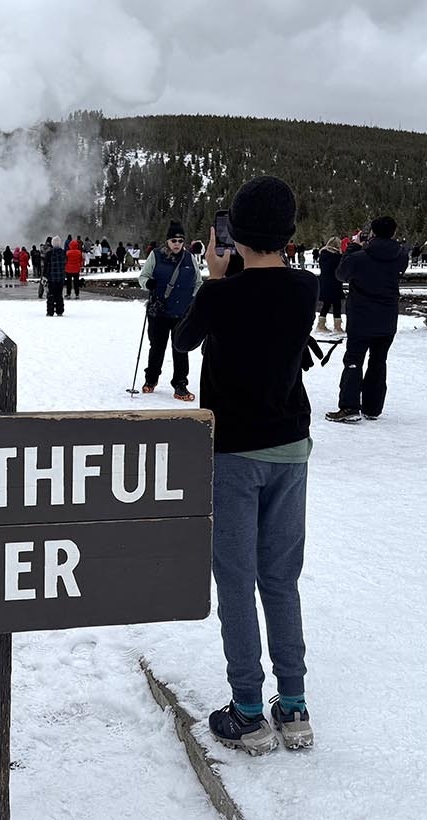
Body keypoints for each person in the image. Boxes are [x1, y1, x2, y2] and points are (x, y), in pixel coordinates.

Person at [171, 176, 318, 756]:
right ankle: (295, 706)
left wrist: (212, 278)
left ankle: (249, 711)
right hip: (291, 447)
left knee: (236, 578)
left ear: (233, 235)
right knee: (280, 577)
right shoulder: (305, 288)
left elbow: (183, 341)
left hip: (233, 451)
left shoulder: (219, 294)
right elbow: (268, 306)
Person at [326, 216, 407, 423]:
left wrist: (353, 248)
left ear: (372, 233)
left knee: (354, 360)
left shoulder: (360, 257)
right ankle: (373, 407)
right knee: (379, 361)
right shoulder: (401, 256)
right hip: (388, 317)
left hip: (361, 315)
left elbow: (341, 274)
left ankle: (350, 406)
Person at [139, 222, 204, 398]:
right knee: (157, 347)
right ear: (167, 241)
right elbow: (143, 277)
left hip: (182, 313)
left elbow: (198, 283)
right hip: (159, 312)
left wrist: (192, 301)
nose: (177, 243)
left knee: (181, 349)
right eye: (174, 240)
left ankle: (180, 383)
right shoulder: (156, 256)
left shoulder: (190, 258)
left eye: (180, 240)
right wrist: (148, 283)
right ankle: (151, 379)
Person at [315, 237, 343, 334]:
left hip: (324, 282)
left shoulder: (323, 255)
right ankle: (337, 327)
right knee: (337, 304)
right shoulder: (337, 257)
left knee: (326, 304)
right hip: (335, 282)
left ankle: (320, 325)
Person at [43, 236, 68, 316]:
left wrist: (44, 276)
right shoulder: (63, 253)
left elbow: (46, 266)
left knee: (51, 295)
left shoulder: (49, 254)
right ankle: (59, 311)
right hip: (61, 278)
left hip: (51, 278)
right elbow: (65, 264)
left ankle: (50, 311)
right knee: (59, 295)